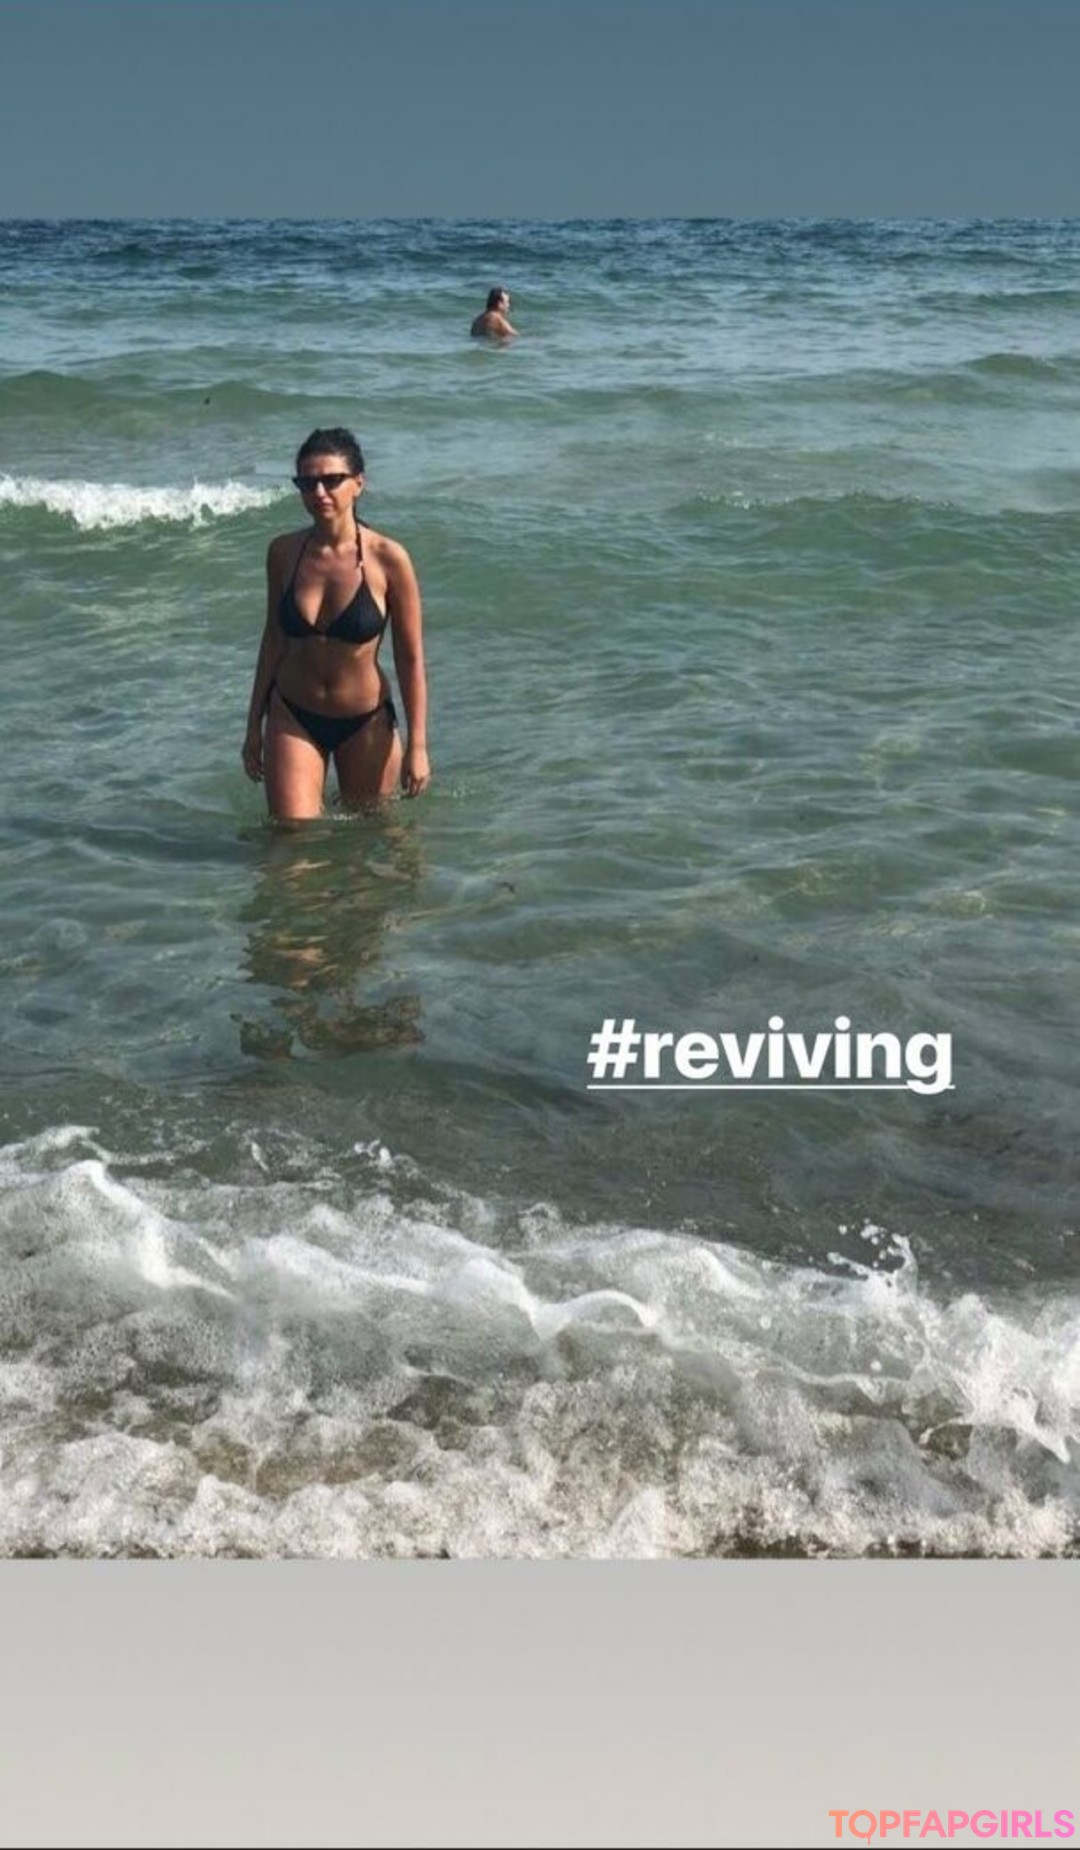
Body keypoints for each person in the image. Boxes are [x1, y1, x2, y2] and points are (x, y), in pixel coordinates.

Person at [242, 428, 430, 820]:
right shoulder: (283, 552)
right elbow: (273, 640)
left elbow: (410, 658)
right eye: (307, 482)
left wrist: (418, 746)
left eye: (332, 480)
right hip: (293, 713)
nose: (319, 492)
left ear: (358, 483)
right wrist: (252, 727)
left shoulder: (389, 558)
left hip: (365, 720)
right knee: (292, 835)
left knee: (370, 839)